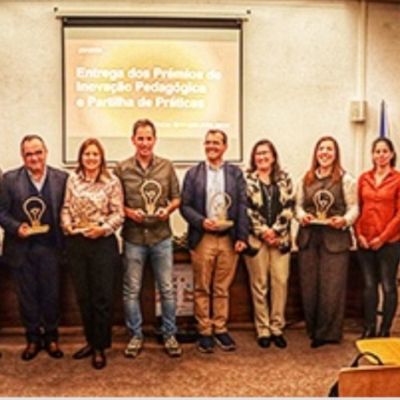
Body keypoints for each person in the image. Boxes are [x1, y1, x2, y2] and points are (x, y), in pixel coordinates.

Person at [114, 119, 182, 358]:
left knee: (167, 289)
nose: (144, 143)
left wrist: (168, 209)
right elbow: (114, 202)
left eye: (148, 138)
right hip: (133, 238)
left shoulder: (167, 166)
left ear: (155, 140)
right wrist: (129, 212)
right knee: (131, 290)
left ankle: (170, 334)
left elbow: (177, 198)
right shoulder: (121, 169)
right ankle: (135, 335)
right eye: (140, 138)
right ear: (133, 140)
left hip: (161, 237)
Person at [180, 129, 249, 353]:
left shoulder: (235, 174)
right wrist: (201, 222)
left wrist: (242, 236)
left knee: (222, 288)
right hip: (203, 238)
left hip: (228, 238)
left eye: (216, 143)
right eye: (208, 142)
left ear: (225, 147)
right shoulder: (193, 174)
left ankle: (220, 327)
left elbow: (242, 206)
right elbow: (185, 206)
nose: (211, 146)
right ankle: (204, 330)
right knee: (201, 287)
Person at [0, 135, 68, 360]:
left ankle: (51, 338)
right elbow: (1, 212)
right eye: (29, 154)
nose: (34, 158)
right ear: (23, 157)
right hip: (21, 249)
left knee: (51, 295)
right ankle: (32, 339)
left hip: (51, 248)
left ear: (46, 152)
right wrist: (16, 227)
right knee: (27, 297)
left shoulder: (62, 178)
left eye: (38, 152)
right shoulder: (9, 179)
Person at [61, 138, 124, 369]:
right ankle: (90, 341)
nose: (91, 158)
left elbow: (118, 214)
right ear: (81, 157)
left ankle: (100, 347)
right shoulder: (72, 179)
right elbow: (66, 208)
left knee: (102, 297)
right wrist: (66, 224)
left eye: (95, 154)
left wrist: (103, 229)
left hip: (102, 244)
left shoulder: (112, 181)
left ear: (101, 157)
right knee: (84, 297)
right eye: (87, 154)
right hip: (77, 243)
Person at [295, 136, 358, 348]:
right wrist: (301, 216)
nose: (324, 152)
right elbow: (297, 206)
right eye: (321, 149)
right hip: (309, 239)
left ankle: (328, 333)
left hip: (336, 240)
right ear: (316, 153)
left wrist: (345, 220)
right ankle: (313, 329)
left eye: (329, 149)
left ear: (336, 153)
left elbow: (354, 208)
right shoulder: (305, 179)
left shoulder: (346, 180)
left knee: (332, 288)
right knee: (309, 287)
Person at [244, 139, 294, 349]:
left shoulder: (285, 179)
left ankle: (277, 327)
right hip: (257, 241)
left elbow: (290, 206)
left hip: (280, 240)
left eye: (266, 153)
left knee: (280, 283)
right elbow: (246, 210)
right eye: (258, 154)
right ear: (253, 158)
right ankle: (263, 329)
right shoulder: (246, 180)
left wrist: (275, 230)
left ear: (273, 157)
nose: (262, 157)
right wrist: (264, 231)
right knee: (259, 285)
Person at [355, 137, 400, 338]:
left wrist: (382, 237)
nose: (380, 155)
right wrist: (359, 234)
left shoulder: (398, 179)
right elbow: (357, 208)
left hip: (389, 243)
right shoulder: (364, 178)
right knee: (369, 286)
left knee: (388, 286)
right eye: (377, 151)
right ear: (372, 155)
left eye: (384, 151)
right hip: (365, 242)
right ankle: (369, 327)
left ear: (391, 154)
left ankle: (385, 330)